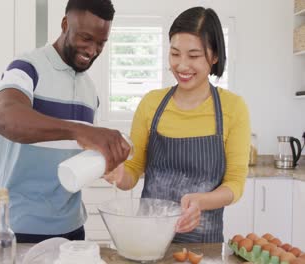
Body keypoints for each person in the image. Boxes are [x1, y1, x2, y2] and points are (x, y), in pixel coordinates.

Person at [105, 7, 251, 243]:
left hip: (205, 244)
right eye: (175, 54)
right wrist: (120, 175)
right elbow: (133, 170)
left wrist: (201, 201)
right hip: (148, 240)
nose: (182, 65)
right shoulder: (151, 103)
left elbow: (235, 183)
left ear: (214, 57)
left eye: (193, 56)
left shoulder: (233, 108)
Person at [0, 0, 131, 243]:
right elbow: (3, 117)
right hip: (22, 228)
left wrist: (105, 161)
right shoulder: (27, 68)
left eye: (101, 43)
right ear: (65, 24)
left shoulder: (89, 91)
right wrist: (80, 131)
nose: (93, 50)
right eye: (86, 38)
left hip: (74, 227)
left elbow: (74, 155)